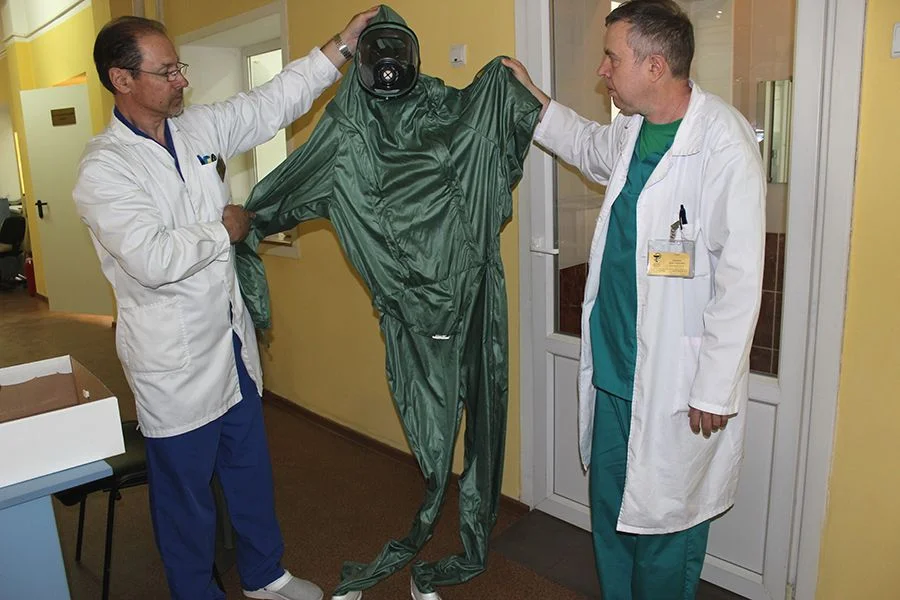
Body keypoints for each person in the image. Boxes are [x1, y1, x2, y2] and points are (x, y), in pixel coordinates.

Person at [73, 8, 378, 600]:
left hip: (230, 343)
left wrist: (341, 46)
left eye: (180, 66)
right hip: (173, 361)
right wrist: (225, 230)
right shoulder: (103, 170)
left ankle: (265, 576)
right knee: (185, 494)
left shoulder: (196, 130)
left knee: (248, 469)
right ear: (122, 79)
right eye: (167, 71)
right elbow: (152, 258)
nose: (181, 79)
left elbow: (271, 103)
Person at [503, 0, 765, 597]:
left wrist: (714, 387)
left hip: (677, 382)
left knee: (669, 527)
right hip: (614, 372)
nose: (602, 70)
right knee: (612, 513)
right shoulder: (631, 129)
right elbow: (586, 145)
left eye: (612, 58)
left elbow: (741, 279)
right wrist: (531, 96)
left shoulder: (722, 143)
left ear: (654, 66)